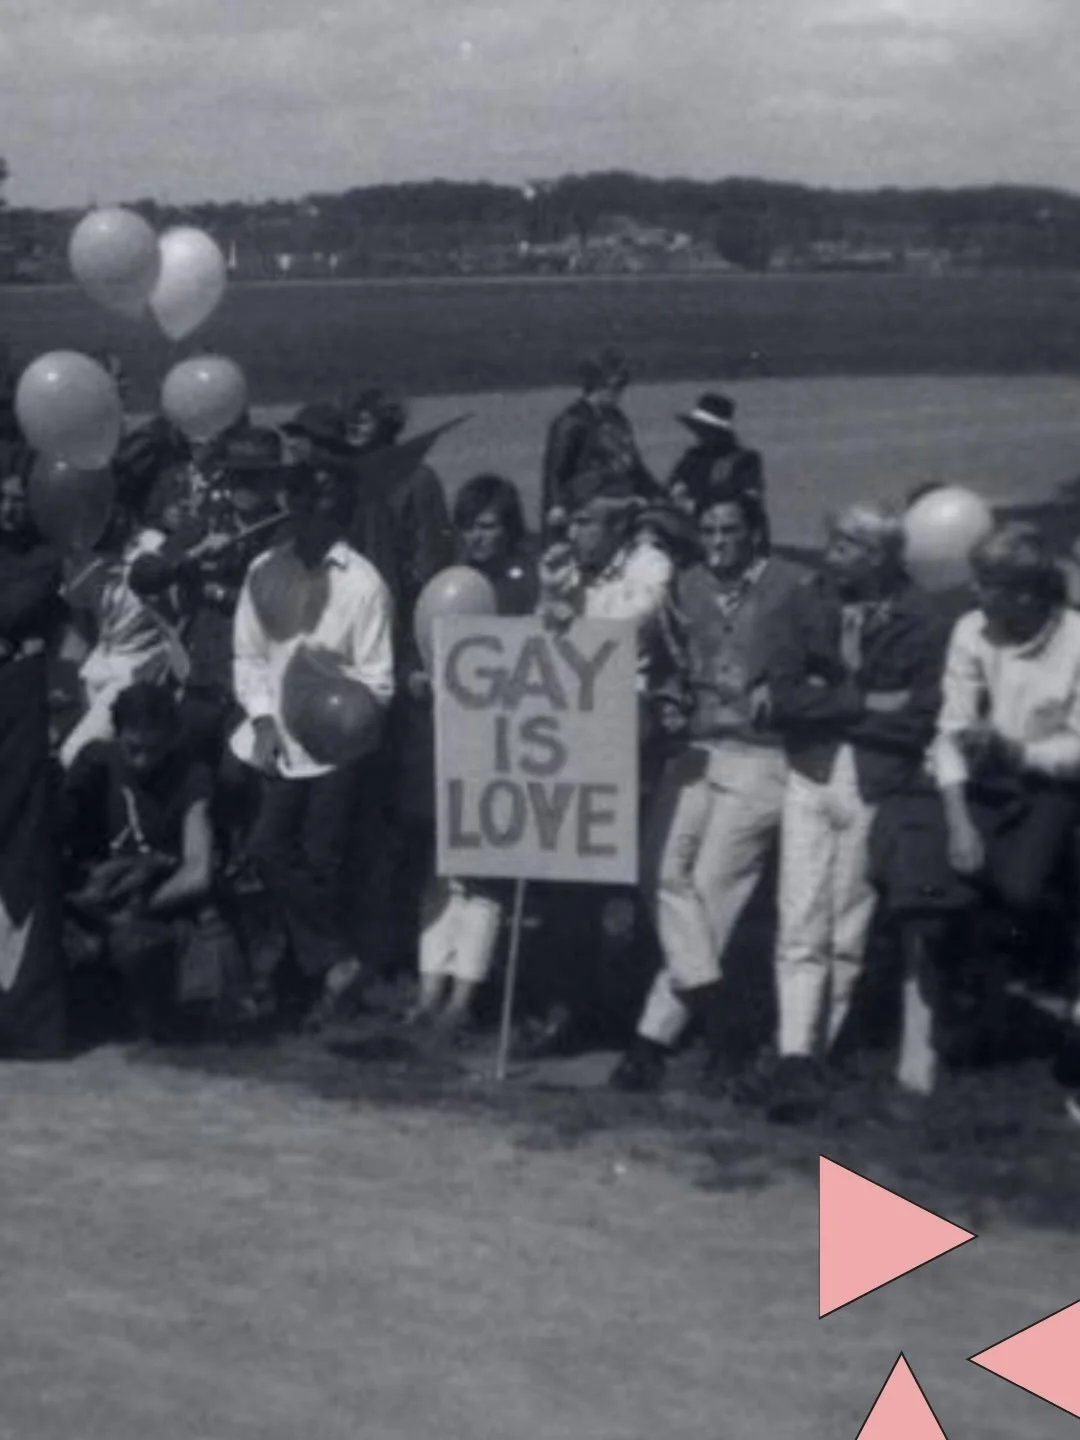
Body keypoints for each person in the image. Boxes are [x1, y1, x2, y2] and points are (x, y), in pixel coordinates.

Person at [751, 502, 947, 1123]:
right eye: (832, 540)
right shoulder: (806, 603)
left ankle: (818, 1051)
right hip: (811, 770)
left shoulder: (919, 618)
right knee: (799, 916)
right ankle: (792, 1056)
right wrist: (866, 701)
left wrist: (826, 698)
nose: (831, 553)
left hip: (872, 780)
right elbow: (783, 695)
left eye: (847, 545)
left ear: (880, 555)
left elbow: (920, 713)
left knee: (847, 928)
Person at [611, 480, 805, 1093]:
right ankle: (722, 1012)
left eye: (731, 530)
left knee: (711, 891)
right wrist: (668, 701)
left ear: (754, 532)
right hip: (696, 748)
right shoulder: (688, 587)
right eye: (711, 530)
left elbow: (823, 663)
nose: (719, 542)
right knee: (657, 874)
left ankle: (650, 1039)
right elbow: (669, 665)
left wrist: (790, 692)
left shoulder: (792, 587)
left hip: (760, 754)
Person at [231, 458, 395, 1031]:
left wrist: (341, 727)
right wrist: (263, 722)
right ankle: (336, 963)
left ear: (335, 506)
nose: (304, 510)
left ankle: (313, 987)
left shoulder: (363, 584)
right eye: (295, 498)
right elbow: (249, 658)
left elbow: (378, 679)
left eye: (317, 498)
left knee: (323, 861)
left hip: (337, 748)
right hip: (279, 741)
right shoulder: (262, 571)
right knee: (265, 852)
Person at [525, 468, 675, 1057]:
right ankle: (569, 1005)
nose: (572, 531)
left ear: (618, 525)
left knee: (622, 883)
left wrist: (573, 608)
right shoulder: (569, 568)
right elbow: (545, 641)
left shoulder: (649, 567)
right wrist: (553, 595)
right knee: (567, 880)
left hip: (631, 732)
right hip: (573, 729)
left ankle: (623, 1010)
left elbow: (626, 632)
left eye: (584, 521)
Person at [927, 524, 1080, 1104]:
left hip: (1052, 781)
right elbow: (949, 729)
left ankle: (1043, 983)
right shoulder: (972, 631)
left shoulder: (1075, 639)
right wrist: (959, 820)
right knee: (948, 886)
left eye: (987, 584)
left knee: (1018, 887)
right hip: (980, 781)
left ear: (1027, 593)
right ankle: (978, 1019)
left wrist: (1018, 752)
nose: (975, 593)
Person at [407, 475, 540, 1036]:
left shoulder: (524, 584)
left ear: (509, 529)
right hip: (448, 734)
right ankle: (428, 988)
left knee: (483, 873)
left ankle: (465, 995)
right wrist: (418, 674)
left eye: (488, 526)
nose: (478, 538)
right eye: (469, 527)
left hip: (500, 741)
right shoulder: (450, 581)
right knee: (442, 869)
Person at [64, 683, 216, 1041]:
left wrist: (138, 906)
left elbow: (198, 872)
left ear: (173, 737)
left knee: (135, 945)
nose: (143, 761)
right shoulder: (95, 762)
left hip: (154, 903)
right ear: (118, 735)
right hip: (98, 893)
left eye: (155, 750)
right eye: (133, 749)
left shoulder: (192, 776)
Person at [0, 462, 69, 1058]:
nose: (8, 508)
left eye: (17, 497)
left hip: (17, 712)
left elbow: (17, 610)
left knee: (21, 852)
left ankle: (24, 1014)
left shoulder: (43, 560)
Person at [340, 387, 455, 615]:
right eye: (348, 420)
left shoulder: (418, 479)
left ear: (386, 424)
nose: (353, 427)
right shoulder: (341, 479)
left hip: (402, 604)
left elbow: (431, 551)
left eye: (363, 421)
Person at [541, 349, 658, 535]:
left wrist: (657, 494)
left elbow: (634, 466)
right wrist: (556, 506)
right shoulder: (572, 421)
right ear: (597, 384)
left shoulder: (618, 420)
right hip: (586, 504)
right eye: (616, 385)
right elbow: (555, 471)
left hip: (619, 501)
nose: (620, 392)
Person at [667, 393, 767, 545]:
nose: (701, 435)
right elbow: (674, 488)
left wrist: (699, 503)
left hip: (728, 533)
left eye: (705, 430)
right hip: (690, 529)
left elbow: (749, 501)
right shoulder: (692, 457)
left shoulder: (744, 460)